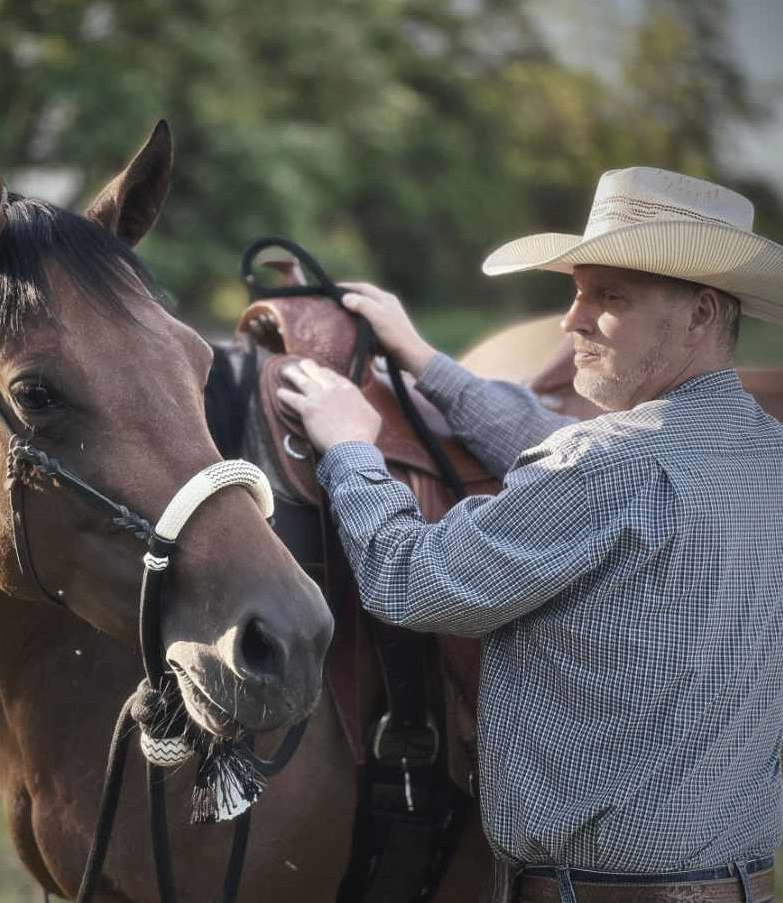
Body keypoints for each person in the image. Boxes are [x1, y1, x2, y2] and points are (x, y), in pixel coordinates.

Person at [276, 167, 783, 903]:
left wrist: (350, 444)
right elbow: (575, 455)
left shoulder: (601, 471)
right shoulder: (762, 451)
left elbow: (408, 581)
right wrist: (428, 364)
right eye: (574, 292)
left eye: (608, 297)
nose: (571, 321)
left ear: (701, 312)